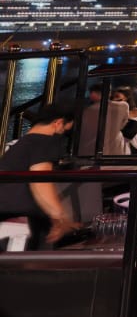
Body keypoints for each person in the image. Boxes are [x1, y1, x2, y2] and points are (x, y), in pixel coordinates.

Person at [0, 102, 80, 249]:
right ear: (58, 123)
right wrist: (59, 217)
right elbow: (40, 180)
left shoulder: (21, 143)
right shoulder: (44, 141)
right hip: (22, 223)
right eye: (65, 130)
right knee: (26, 262)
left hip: (9, 217)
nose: (62, 136)